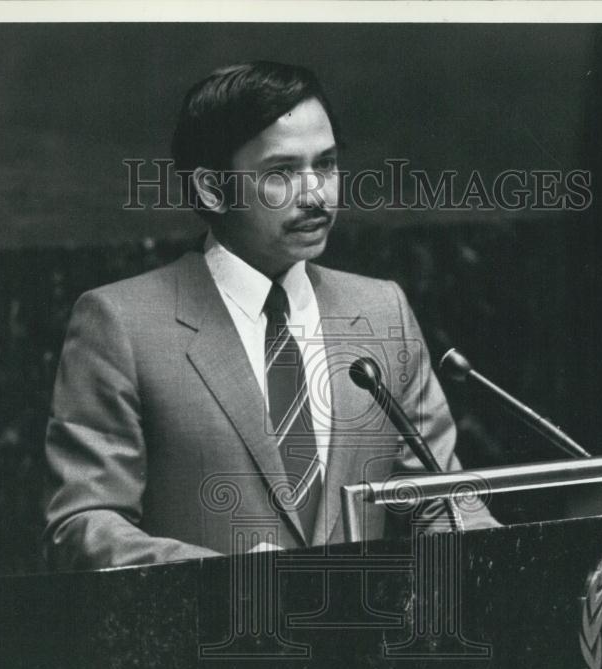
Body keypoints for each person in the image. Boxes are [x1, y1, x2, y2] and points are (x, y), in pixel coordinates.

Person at [42, 61, 494, 570]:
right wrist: (225, 578)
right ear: (211, 190)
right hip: (214, 621)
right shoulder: (122, 323)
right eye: (281, 173)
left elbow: (442, 501)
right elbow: (83, 523)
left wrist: (496, 557)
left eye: (326, 164)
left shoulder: (379, 309)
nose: (316, 194)